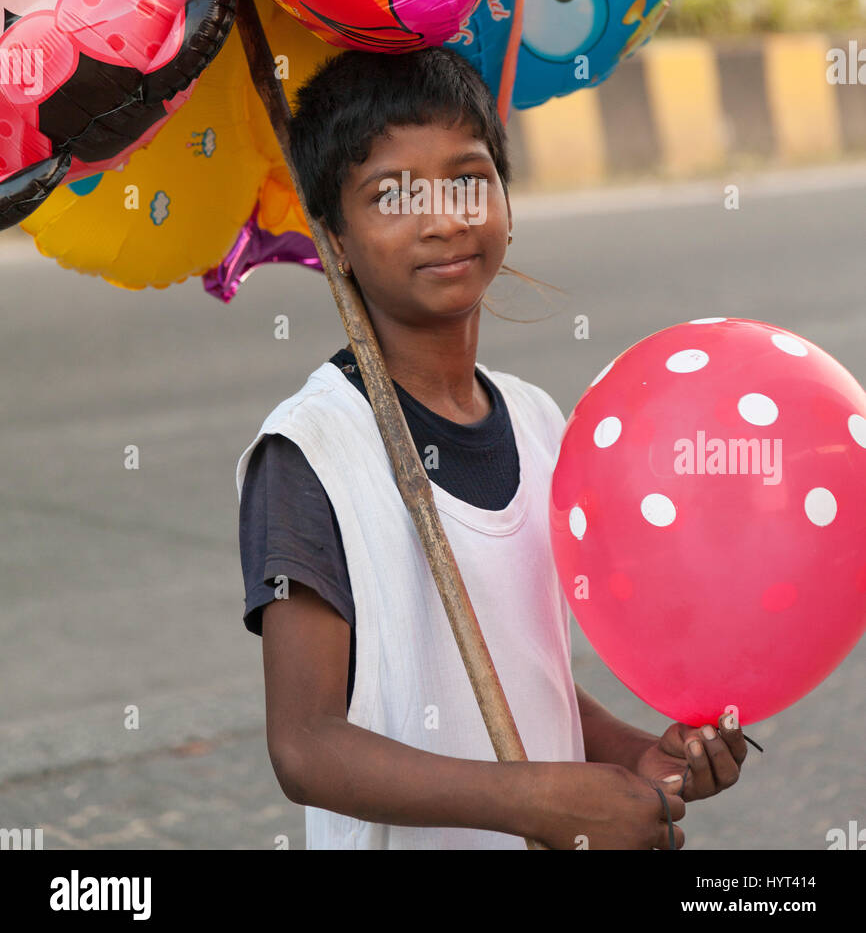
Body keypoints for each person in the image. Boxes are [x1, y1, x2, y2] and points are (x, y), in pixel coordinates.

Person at [235, 47, 747, 849]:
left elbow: (525, 676)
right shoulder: (311, 451)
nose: (443, 218)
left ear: (507, 197)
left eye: (468, 178)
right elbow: (306, 746)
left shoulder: (539, 421)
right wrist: (532, 801)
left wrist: (635, 760)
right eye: (390, 194)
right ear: (333, 240)